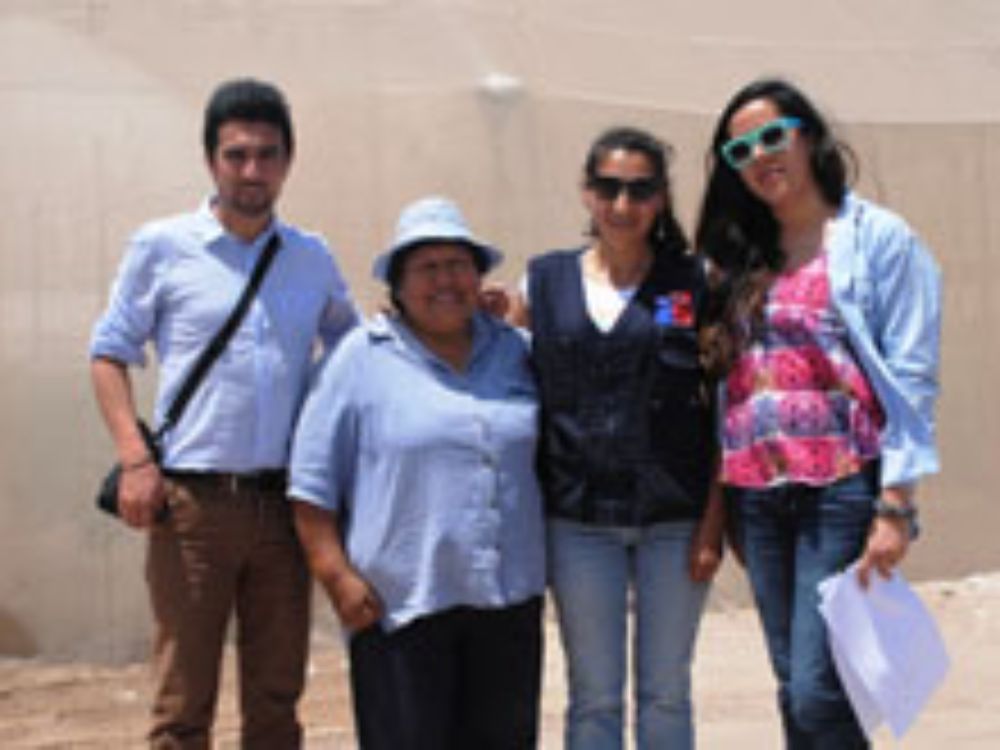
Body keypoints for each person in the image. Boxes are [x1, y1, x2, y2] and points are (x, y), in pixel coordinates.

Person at [89, 78, 359, 748]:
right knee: (183, 706)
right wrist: (135, 459)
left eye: (267, 154)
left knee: (276, 703)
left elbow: (353, 351)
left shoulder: (311, 257)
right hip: (192, 509)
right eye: (236, 154)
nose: (252, 170)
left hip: (284, 507)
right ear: (210, 159)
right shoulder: (162, 246)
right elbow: (108, 354)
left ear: (288, 161)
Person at [694, 78, 942, 749]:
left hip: (839, 486)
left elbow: (912, 375)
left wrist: (896, 505)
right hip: (755, 495)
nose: (760, 156)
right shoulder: (733, 257)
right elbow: (678, 326)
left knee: (816, 687)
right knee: (793, 681)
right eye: (740, 149)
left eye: (773, 136)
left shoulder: (878, 239)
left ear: (808, 137)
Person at [289, 196, 546, 749]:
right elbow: (311, 484)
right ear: (399, 286)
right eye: (427, 268)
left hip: (506, 601)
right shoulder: (359, 360)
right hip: (399, 606)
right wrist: (336, 576)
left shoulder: (516, 351)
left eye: (458, 265)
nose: (445, 281)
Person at [509, 127, 725, 749]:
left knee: (666, 692)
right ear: (586, 192)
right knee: (594, 696)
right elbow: (504, 376)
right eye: (608, 188)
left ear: (661, 198)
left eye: (640, 190)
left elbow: (725, 411)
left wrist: (712, 524)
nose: (623, 205)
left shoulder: (693, 283)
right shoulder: (543, 282)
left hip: (673, 519)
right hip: (578, 522)